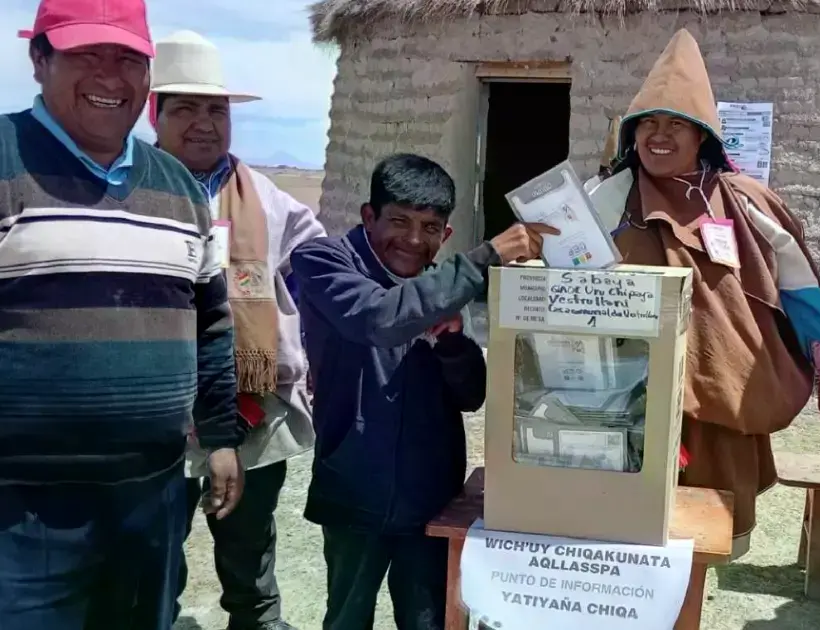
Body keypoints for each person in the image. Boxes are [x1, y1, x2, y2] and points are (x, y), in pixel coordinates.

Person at [0, 1, 242, 629]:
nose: (111, 77)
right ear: (38, 60)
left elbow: (210, 324)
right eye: (87, 56)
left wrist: (218, 438)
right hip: (20, 507)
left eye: (128, 60)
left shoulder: (181, 188)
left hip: (151, 497)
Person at [591, 29, 820, 561]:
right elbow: (562, 272)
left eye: (677, 124)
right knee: (624, 538)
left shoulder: (746, 201)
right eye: (649, 123)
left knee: (702, 538)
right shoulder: (606, 196)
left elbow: (800, 289)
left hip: (722, 396)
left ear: (703, 136)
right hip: (627, 397)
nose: (660, 135)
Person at [291, 153, 556, 629]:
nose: (414, 240)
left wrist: (452, 341)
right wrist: (486, 257)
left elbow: (470, 394)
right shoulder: (323, 261)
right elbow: (379, 318)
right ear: (369, 216)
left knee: (429, 620)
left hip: (429, 498)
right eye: (400, 221)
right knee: (347, 618)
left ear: (445, 235)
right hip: (354, 488)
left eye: (431, 227)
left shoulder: (442, 286)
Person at [150, 31, 326, 630]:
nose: (204, 123)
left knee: (249, 551)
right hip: (157, 416)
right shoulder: (126, 191)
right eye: (186, 108)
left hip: (251, 411)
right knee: (153, 555)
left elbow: (318, 274)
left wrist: (300, 350)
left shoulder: (269, 201)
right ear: (156, 113)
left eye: (216, 110)